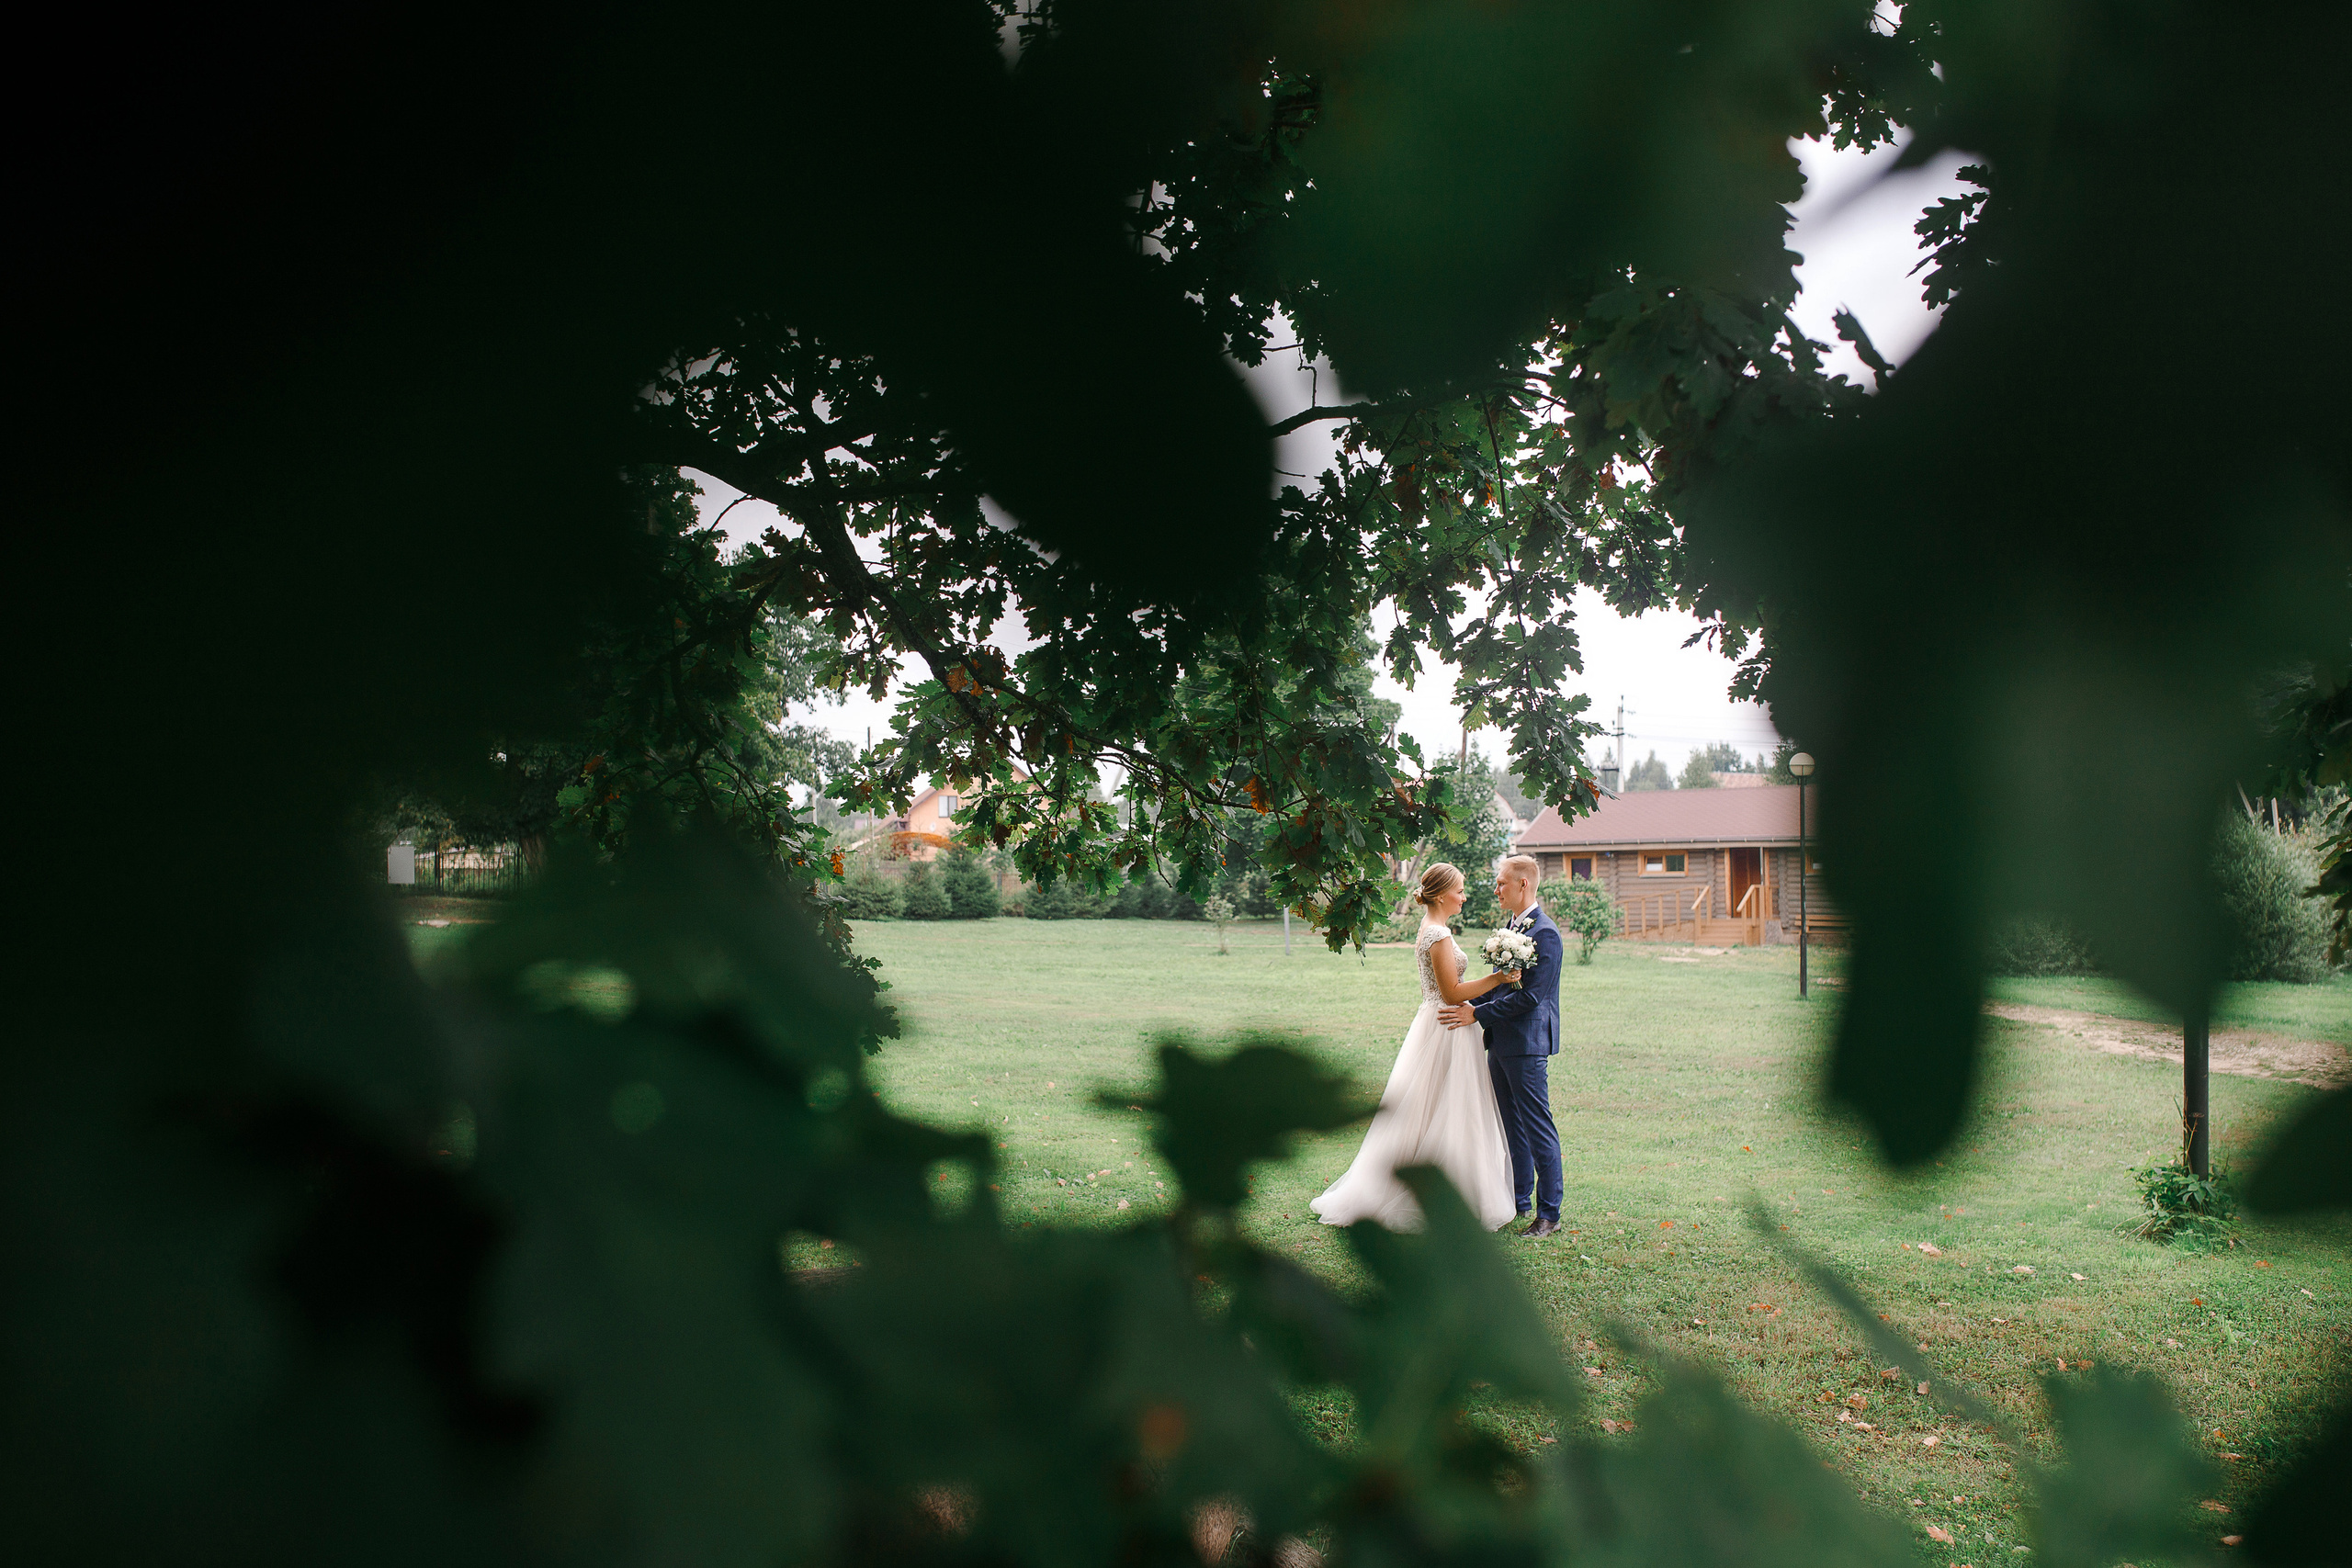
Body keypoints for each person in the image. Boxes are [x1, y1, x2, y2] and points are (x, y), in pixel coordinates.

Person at [1309, 863, 1521, 1232]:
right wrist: (1497, 978)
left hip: (1444, 1023)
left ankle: (1453, 1187)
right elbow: (1452, 992)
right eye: (1460, 890)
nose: (1464, 896)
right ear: (1441, 894)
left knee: (1440, 1109)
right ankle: (1436, 1195)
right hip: (1445, 1026)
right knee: (1445, 1108)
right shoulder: (1436, 934)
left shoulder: (1435, 929)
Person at [1437, 855, 1565, 1237]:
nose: (1496, 890)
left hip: (1526, 1043)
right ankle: (1518, 1199)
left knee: (1537, 1126)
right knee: (1511, 1127)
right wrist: (1477, 1007)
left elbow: (1531, 998)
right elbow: (1504, 984)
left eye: (1501, 884)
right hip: (1500, 1042)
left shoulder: (1545, 934)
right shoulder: (1510, 928)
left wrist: (1476, 1014)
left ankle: (1549, 1214)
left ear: (1523, 884)